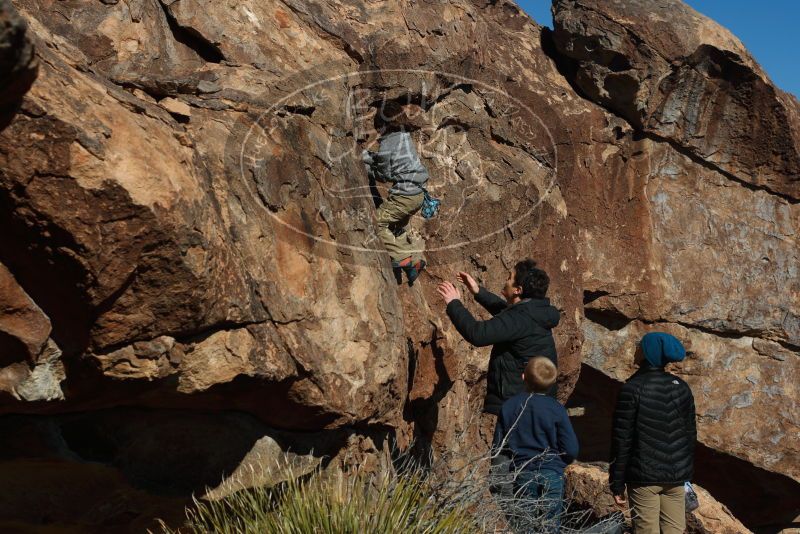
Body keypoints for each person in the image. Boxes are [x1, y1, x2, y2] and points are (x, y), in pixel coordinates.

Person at [436, 259, 561, 500]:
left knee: (504, 479)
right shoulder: (535, 312)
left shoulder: (523, 317)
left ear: (518, 290)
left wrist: (454, 303)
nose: (505, 279)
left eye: (509, 277)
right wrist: (478, 292)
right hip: (533, 405)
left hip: (517, 408)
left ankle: (515, 521)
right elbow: (509, 314)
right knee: (518, 474)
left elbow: (478, 334)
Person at [609, 332, 696, 534]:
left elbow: (622, 440)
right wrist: (686, 473)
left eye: (640, 346)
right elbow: (690, 436)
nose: (636, 349)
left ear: (648, 353)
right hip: (676, 478)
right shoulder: (682, 388)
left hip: (643, 477)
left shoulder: (632, 389)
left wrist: (616, 483)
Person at [493, 357, 579, 532]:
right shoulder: (556, 409)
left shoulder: (509, 406)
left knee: (525, 525)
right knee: (549, 525)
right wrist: (559, 463)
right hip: (552, 473)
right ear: (552, 382)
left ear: (523, 377)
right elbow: (571, 448)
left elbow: (499, 448)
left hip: (523, 472)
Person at [362, 101, 430, 285]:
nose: (379, 133)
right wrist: (372, 158)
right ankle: (415, 262)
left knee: (378, 221)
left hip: (404, 195)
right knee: (397, 227)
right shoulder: (404, 137)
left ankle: (403, 259)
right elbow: (391, 162)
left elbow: (383, 174)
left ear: (384, 125)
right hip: (417, 194)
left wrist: (364, 163)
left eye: (379, 128)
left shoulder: (387, 142)